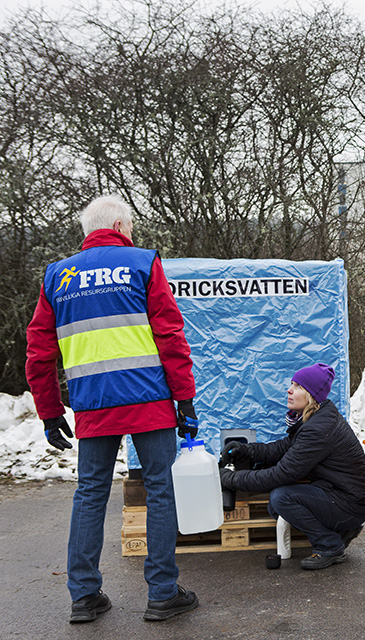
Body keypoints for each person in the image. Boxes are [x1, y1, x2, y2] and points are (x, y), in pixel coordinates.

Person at [25, 195, 200, 623]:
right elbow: (170, 335)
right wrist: (185, 398)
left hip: (93, 405)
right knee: (159, 489)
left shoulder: (57, 276)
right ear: (121, 226)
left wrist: (50, 411)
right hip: (148, 401)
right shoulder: (142, 264)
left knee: (90, 493)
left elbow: (38, 351)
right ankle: (162, 593)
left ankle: (84, 595)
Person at [219, 363, 365, 570]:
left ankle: (329, 546)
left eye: (298, 386)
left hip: (350, 503)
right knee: (276, 505)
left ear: (311, 394)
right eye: (292, 384)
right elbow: (283, 447)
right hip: (342, 495)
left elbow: (281, 475)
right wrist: (248, 450)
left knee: (281, 498)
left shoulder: (318, 429)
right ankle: (340, 532)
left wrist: (234, 479)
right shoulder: (314, 418)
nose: (289, 390)